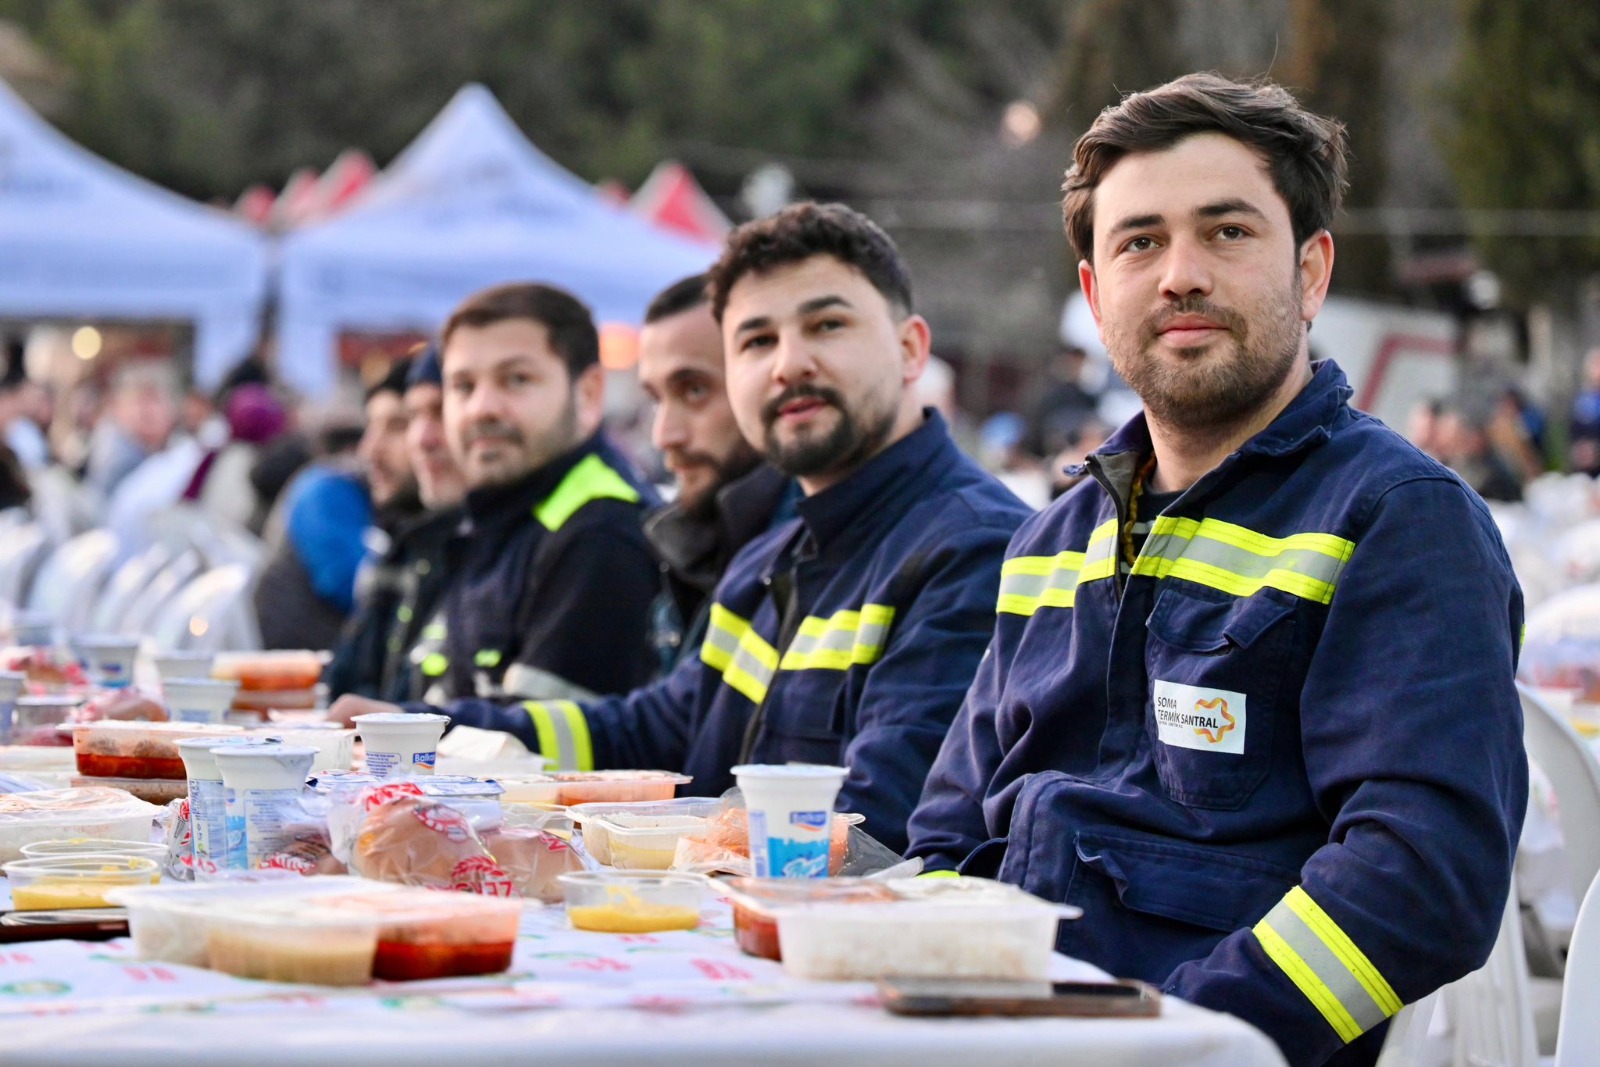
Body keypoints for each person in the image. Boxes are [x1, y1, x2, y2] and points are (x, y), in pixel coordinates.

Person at [906, 73, 1526, 1067]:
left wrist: (1178, 1038)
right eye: (1139, 242)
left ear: (1310, 272)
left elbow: (1422, 876)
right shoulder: (1050, 539)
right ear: (1094, 295)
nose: (1179, 275)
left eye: (1227, 232)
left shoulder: (1398, 519)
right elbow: (944, 832)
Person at [337, 203, 1033, 854]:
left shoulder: (975, 549)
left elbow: (876, 836)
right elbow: (649, 731)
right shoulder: (768, 557)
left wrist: (660, 850)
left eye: (827, 325)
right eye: (757, 341)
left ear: (912, 350)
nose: (789, 363)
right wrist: (425, 732)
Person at [406, 282, 660, 703]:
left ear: (589, 393)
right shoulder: (497, 516)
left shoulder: (601, 530)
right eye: (463, 386)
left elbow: (537, 735)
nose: (482, 408)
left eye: (516, 379)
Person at [636, 272, 795, 673]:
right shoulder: (697, 540)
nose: (664, 435)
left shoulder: (817, 551)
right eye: (656, 399)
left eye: (694, 390)